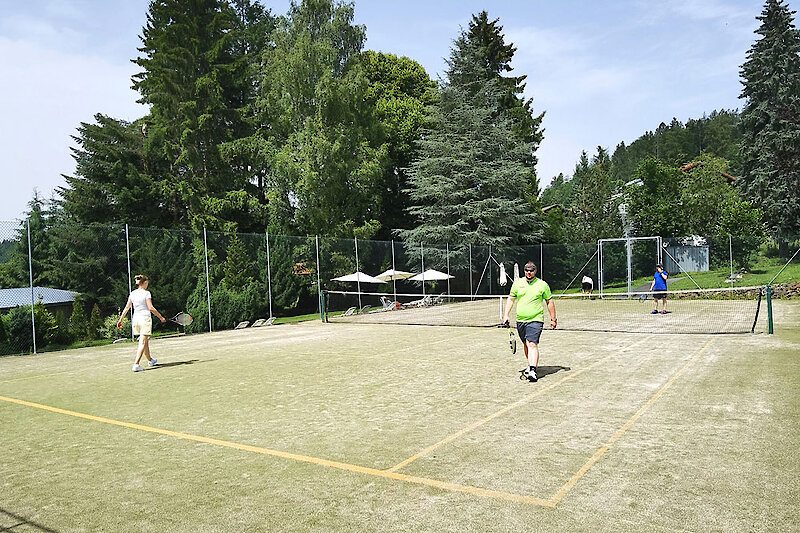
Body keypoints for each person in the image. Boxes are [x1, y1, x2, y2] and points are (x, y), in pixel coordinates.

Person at [502, 261, 557, 382]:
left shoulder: (542, 285)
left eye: (531, 270)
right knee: (526, 344)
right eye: (527, 270)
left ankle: (532, 370)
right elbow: (511, 299)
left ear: (535, 271)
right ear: (524, 271)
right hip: (520, 320)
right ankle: (530, 364)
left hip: (536, 320)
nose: (529, 273)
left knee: (532, 343)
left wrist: (553, 319)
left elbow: (549, 302)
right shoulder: (517, 284)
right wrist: (505, 315)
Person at [117, 274, 166, 372]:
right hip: (144, 319)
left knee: (145, 340)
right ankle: (136, 364)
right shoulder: (147, 293)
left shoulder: (132, 293)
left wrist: (120, 320)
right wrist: (160, 317)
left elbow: (127, 307)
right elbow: (151, 308)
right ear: (145, 283)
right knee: (143, 342)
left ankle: (150, 360)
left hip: (136, 320)